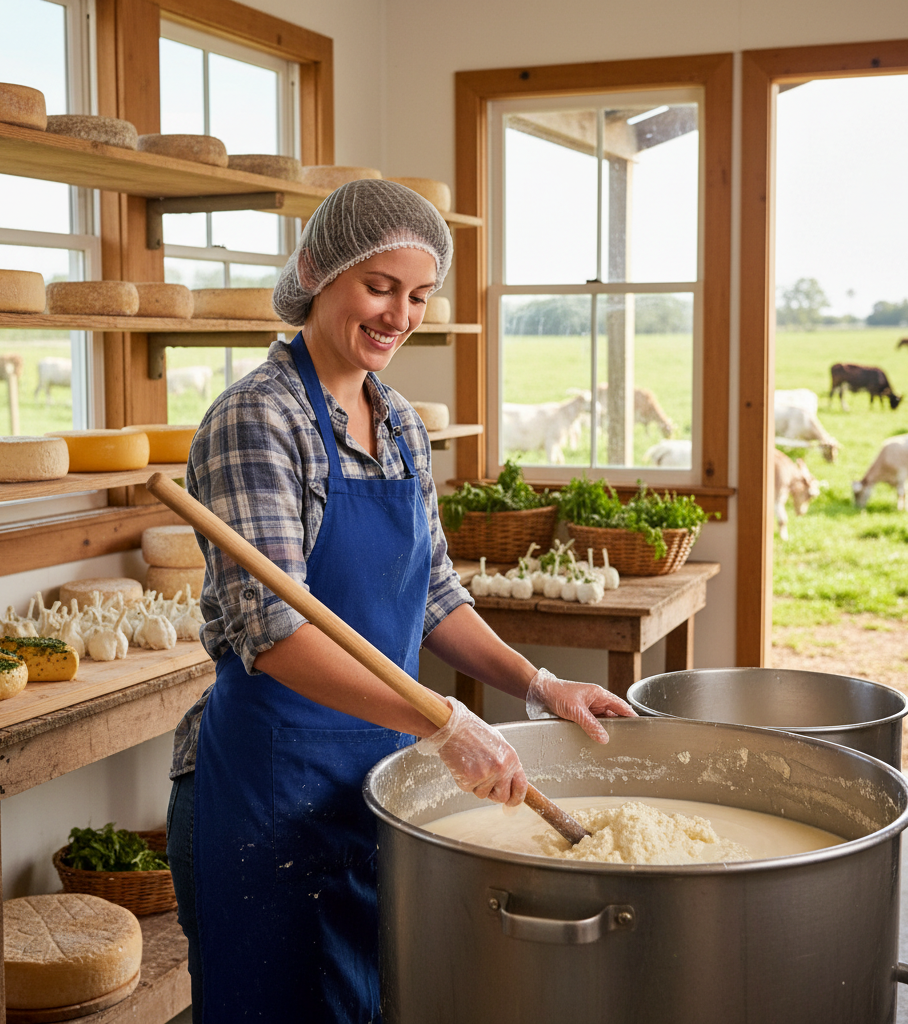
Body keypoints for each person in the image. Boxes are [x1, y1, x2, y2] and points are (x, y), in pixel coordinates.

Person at [165, 178, 635, 1023]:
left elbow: (433, 596)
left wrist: (538, 686)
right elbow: (276, 637)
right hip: (271, 787)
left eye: (418, 296)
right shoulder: (256, 421)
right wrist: (447, 724)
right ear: (317, 271)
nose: (399, 315)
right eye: (379, 287)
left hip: (381, 778)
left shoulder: (402, 424)